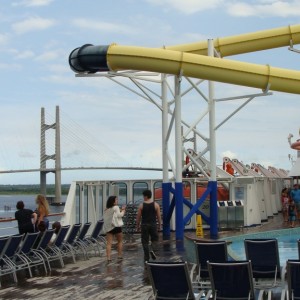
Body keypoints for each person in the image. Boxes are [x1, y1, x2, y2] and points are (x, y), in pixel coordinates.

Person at [136, 189, 162, 262]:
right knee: (155, 240)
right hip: (153, 225)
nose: (143, 197)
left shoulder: (141, 205)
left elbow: (138, 217)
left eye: (144, 196)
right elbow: (159, 216)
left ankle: (146, 258)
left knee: (145, 242)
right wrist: (160, 225)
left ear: (146, 196)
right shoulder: (156, 205)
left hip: (144, 225)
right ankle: (152, 250)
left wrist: (137, 226)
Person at [103, 196, 126, 263]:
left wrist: (120, 210)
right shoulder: (116, 207)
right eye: (116, 200)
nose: (117, 201)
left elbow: (113, 215)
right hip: (116, 227)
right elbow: (119, 215)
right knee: (120, 241)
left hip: (109, 228)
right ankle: (119, 255)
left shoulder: (106, 209)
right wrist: (123, 210)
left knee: (109, 243)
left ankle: (108, 257)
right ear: (113, 201)